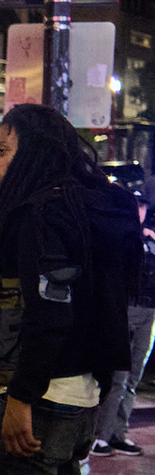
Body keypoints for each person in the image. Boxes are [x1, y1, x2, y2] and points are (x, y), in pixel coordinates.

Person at [0, 104, 140, 475]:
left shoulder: (40, 214)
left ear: (33, 154)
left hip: (43, 397)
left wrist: (21, 398)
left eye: (3, 150)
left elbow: (49, 314)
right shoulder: (93, 206)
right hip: (85, 394)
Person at [89, 176, 155, 458]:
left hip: (148, 311)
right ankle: (100, 437)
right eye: (135, 205)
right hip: (126, 310)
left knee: (133, 377)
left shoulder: (150, 238)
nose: (139, 210)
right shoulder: (121, 237)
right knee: (117, 377)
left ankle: (118, 433)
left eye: (143, 206)